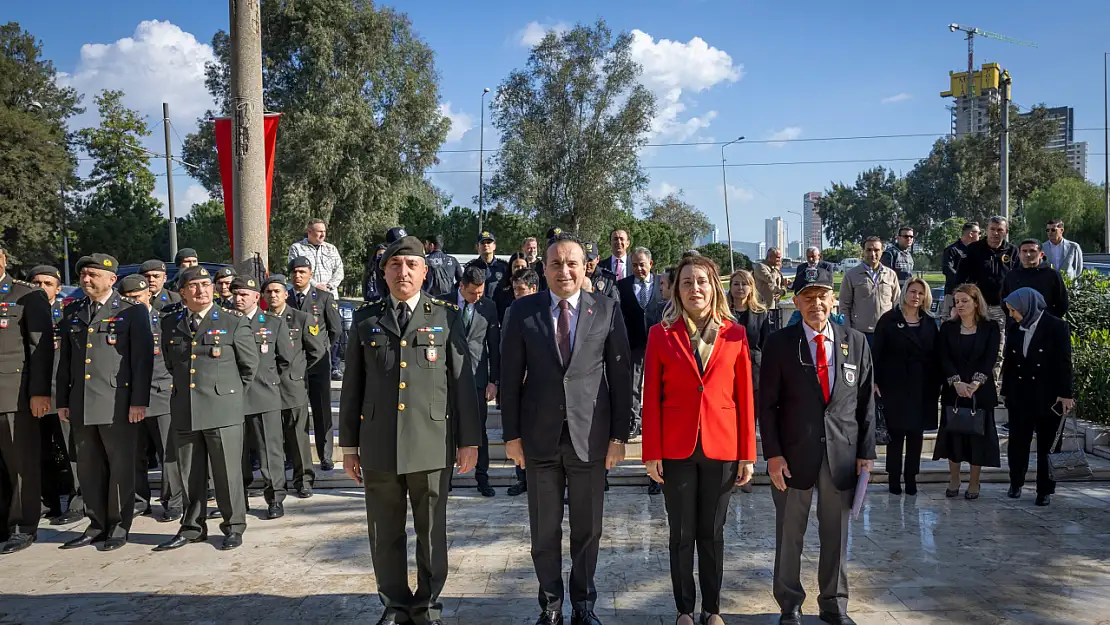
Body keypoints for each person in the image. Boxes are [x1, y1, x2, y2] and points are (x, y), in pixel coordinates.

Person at [339, 235, 481, 625]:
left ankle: (428, 604)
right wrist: (349, 446)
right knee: (384, 532)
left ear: (424, 272)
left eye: (411, 266)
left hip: (432, 442)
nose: (403, 272)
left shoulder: (446, 316)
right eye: (395, 266)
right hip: (380, 442)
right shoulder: (366, 319)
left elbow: (462, 384)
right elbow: (352, 387)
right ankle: (395, 604)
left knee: (432, 531)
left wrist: (469, 441)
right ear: (383, 272)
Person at [500, 235, 633, 625]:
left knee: (587, 530)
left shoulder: (606, 309)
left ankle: (584, 604)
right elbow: (509, 379)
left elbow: (621, 376)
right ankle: (551, 604)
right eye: (556, 264)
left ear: (584, 266)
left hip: (590, 440)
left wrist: (619, 437)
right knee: (543, 532)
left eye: (572, 262)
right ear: (544, 268)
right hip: (538, 440)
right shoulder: (523, 312)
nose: (564, 271)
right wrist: (511, 436)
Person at [642, 254, 757, 625]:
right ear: (677, 289)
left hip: (722, 447)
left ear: (714, 287)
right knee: (681, 533)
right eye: (687, 282)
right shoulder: (660, 334)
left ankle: (712, 609)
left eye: (702, 281)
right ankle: (684, 610)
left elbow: (745, 399)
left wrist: (747, 454)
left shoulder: (735, 334)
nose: (695, 289)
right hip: (676, 447)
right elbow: (651, 400)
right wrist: (651, 452)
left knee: (712, 533)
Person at [760, 265, 875, 625]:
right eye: (807, 297)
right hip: (794, 456)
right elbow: (767, 405)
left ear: (833, 297)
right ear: (796, 302)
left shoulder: (855, 341)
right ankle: (789, 602)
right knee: (790, 533)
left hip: (841, 455)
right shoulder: (780, 344)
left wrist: (866, 455)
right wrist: (773, 454)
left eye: (822, 295)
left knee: (836, 534)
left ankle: (833, 602)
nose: (816, 304)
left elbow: (866, 403)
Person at [154, 266, 257, 552]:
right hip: (186, 408)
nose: (201, 290)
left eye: (205, 284)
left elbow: (249, 368)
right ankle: (192, 527)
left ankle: (233, 527)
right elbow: (172, 363)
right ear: (183, 292)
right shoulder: (171, 323)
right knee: (189, 473)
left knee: (226, 474)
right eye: (194, 286)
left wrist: (227, 396)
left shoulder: (232, 321)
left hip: (222, 409)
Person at [56, 254, 154, 552]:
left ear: (111, 279)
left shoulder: (131, 311)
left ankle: (119, 525)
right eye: (83, 275)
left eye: (92, 275)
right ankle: (96, 523)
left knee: (120, 466)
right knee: (88, 467)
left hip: (116, 403)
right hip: (82, 403)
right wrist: (63, 400)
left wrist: (139, 401)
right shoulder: (73, 312)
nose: (86, 280)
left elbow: (141, 359)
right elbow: (67, 362)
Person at [0, 251, 54, 555]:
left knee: (20, 465)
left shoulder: (27, 296)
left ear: (4, 258)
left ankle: (22, 526)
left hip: (14, 395)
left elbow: (41, 348)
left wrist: (39, 392)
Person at [120, 274, 184, 524]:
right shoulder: (118, 322)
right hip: (128, 396)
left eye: (137, 297)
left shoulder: (162, 321)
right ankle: (139, 500)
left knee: (168, 453)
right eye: (128, 298)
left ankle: (173, 500)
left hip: (160, 394)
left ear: (148, 294)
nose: (133, 302)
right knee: (134, 452)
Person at [1002, 288, 1073, 507]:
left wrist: (1066, 394)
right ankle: (1016, 483)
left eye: (1014, 310)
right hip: (1020, 396)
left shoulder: (1056, 327)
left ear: (1027, 307)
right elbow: (1010, 363)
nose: (1012, 314)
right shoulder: (1015, 329)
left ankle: (1045, 490)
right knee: (1017, 444)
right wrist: (1006, 392)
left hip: (1048, 396)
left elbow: (1064, 362)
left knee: (1048, 446)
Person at [231, 275, 293, 520]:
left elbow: (285, 359)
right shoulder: (225, 321)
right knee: (236, 453)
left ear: (257, 297)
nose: (239, 298)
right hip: (232, 397)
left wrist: (268, 382)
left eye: (244, 294)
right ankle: (238, 498)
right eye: (236, 293)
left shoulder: (272, 323)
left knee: (270, 452)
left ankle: (275, 497)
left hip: (264, 395)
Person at [933, 284, 1002, 501]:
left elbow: (991, 357)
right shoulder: (948, 328)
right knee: (953, 438)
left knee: (977, 441)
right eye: (957, 301)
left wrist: (975, 384)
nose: (960, 305)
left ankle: (974, 482)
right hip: (954, 392)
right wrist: (956, 383)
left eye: (964, 301)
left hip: (980, 393)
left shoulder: (990, 327)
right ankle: (954, 479)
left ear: (975, 302)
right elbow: (943, 357)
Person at [872, 277, 939, 496]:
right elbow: (876, 353)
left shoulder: (929, 323)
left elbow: (936, 356)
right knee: (896, 434)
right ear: (904, 293)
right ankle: (894, 478)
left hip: (922, 387)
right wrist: (874, 381)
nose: (916, 296)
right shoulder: (889, 320)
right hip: (894, 385)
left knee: (916, 435)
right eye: (912, 292)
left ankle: (911, 477)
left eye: (920, 293)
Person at [30, 265, 85, 526]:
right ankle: (47, 502)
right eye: (37, 282)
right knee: (41, 451)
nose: (42, 287)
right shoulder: (24, 311)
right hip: (35, 393)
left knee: (70, 449)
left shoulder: (67, 314)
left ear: (58, 288)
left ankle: (78, 500)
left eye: (48, 283)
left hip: (63, 392)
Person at [263, 275, 326, 499]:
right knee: (272, 439)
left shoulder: (302, 319)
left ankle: (304, 480)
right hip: (267, 388)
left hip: (293, 386)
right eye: (269, 292)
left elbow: (317, 352)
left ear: (286, 294)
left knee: (298, 437)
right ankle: (277, 483)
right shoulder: (260, 321)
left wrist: (298, 373)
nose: (273, 295)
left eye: (277, 291)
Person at [450, 266, 501, 498]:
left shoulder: (488, 307)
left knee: (479, 431)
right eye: (473, 293)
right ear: (461, 286)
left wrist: (493, 380)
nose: (477, 297)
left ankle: (482, 477)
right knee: (448, 429)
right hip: (448, 378)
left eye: (480, 292)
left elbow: (493, 346)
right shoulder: (443, 303)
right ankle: (445, 477)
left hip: (477, 379)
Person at [288, 256, 342, 472]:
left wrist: (322, 346)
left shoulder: (323, 297)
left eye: (302, 271)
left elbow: (336, 329)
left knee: (322, 410)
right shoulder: (284, 298)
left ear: (310, 274)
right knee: (295, 412)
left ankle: (325, 455)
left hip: (317, 363)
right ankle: (295, 456)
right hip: (292, 364)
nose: (298, 275)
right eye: (294, 272)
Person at [955, 216, 1017, 378]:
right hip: (977, 308)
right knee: (974, 346)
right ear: (986, 230)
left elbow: (1018, 280)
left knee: (997, 349)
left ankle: (992, 384)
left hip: (1001, 309)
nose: (996, 233)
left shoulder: (1013, 252)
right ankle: (971, 383)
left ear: (1006, 232)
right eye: (992, 229)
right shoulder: (974, 249)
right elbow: (961, 278)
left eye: (1000, 230)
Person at [726, 270, 770, 490]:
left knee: (750, 423)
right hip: (727, 372)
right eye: (736, 283)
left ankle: (748, 468)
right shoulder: (722, 312)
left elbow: (767, 345)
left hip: (754, 373)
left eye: (744, 284)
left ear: (751, 287)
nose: (740, 288)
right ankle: (731, 469)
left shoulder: (761, 313)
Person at [617, 247, 664, 441]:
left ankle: (658, 420)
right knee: (634, 384)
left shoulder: (663, 284)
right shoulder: (622, 285)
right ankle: (634, 421)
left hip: (660, 343)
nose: (638, 269)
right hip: (634, 343)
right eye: (634, 265)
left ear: (650, 264)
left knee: (660, 383)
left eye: (642, 265)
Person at [504, 267, 539, 497]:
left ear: (534, 289)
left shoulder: (545, 310)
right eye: (515, 290)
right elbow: (506, 347)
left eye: (522, 290)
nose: (517, 294)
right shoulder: (511, 311)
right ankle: (521, 477)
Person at [838, 237, 901, 341]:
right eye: (869, 250)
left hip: (886, 332)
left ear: (882, 251)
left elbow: (897, 303)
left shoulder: (891, 275)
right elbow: (844, 306)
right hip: (861, 334)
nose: (872, 254)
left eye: (876, 250)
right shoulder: (851, 275)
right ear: (863, 251)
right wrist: (847, 331)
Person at [1000, 239, 1068, 319]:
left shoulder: (1052, 275)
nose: (1028, 254)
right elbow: (1004, 301)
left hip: (1044, 325)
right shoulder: (1011, 276)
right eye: (1024, 251)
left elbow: (1062, 304)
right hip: (1017, 325)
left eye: (1032, 251)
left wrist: (1050, 320)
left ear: (1041, 254)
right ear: (1019, 254)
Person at [288, 218, 345, 299]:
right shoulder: (297, 248)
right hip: (307, 297)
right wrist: (316, 285)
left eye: (324, 231)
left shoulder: (331, 248)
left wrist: (328, 286)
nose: (323, 234)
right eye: (319, 232)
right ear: (309, 232)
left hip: (330, 296)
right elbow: (295, 271)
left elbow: (339, 271)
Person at [941, 222, 980, 320]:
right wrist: (963, 281)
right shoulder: (952, 250)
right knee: (949, 321)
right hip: (952, 294)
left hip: (972, 295)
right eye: (978, 233)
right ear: (971, 234)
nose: (980, 236)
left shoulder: (977, 251)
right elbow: (947, 269)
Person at [468, 231, 510, 296]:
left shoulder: (504, 267)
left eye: (489, 242)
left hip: (499, 305)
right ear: (477, 247)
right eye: (482, 243)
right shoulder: (471, 267)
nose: (486, 245)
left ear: (494, 246)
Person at [422, 234, 464, 298]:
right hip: (449, 299)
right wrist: (452, 289)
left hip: (431, 299)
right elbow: (461, 280)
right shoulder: (452, 260)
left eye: (426, 244)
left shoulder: (425, 261)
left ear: (432, 245)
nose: (425, 246)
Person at [494, 252, 530, 323]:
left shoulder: (532, 286)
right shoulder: (501, 288)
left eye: (523, 266)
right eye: (516, 267)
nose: (519, 269)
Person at [753, 248, 789, 312]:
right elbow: (770, 280)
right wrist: (776, 269)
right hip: (763, 307)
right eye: (778, 257)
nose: (780, 260)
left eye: (780, 257)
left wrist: (781, 292)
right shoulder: (760, 266)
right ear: (769, 257)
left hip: (776, 305)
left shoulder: (775, 268)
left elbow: (782, 285)